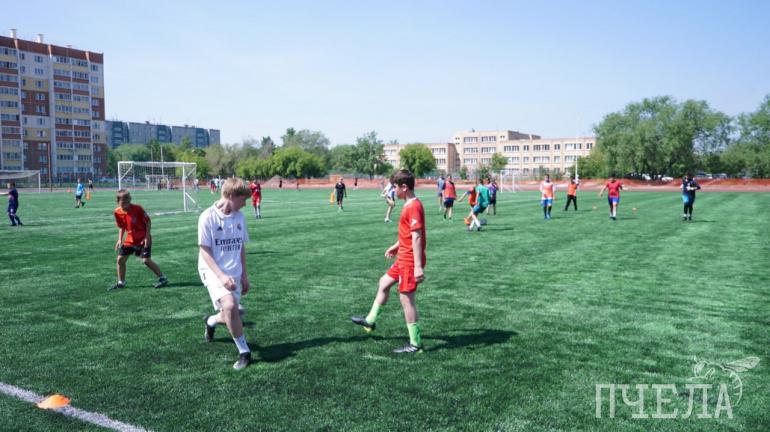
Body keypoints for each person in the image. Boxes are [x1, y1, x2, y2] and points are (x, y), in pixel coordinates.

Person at [351, 169, 426, 354]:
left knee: (406, 299)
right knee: (384, 282)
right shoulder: (408, 204)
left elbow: (417, 237)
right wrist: (396, 246)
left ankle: (415, 344)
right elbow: (408, 234)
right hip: (403, 256)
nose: (393, 190)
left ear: (404, 187)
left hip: (409, 261)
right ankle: (370, 321)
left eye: (394, 187)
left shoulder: (413, 206)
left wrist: (417, 266)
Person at [199, 177, 254, 370]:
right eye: (243, 199)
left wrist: (244, 275)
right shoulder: (207, 217)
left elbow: (240, 247)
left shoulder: (240, 218)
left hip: (234, 271)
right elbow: (205, 251)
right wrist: (221, 276)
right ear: (231, 196)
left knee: (230, 313)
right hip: (213, 270)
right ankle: (244, 352)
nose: (245, 204)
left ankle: (211, 321)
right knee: (230, 306)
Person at [110, 190, 168, 291]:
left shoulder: (137, 208)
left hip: (142, 239)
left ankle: (163, 278)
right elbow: (122, 226)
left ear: (130, 200)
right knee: (120, 260)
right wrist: (119, 239)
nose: (125, 205)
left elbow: (148, 222)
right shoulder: (117, 212)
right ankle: (121, 282)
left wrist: (147, 237)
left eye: (127, 202)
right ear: (118, 202)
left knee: (146, 260)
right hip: (129, 240)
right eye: (123, 203)